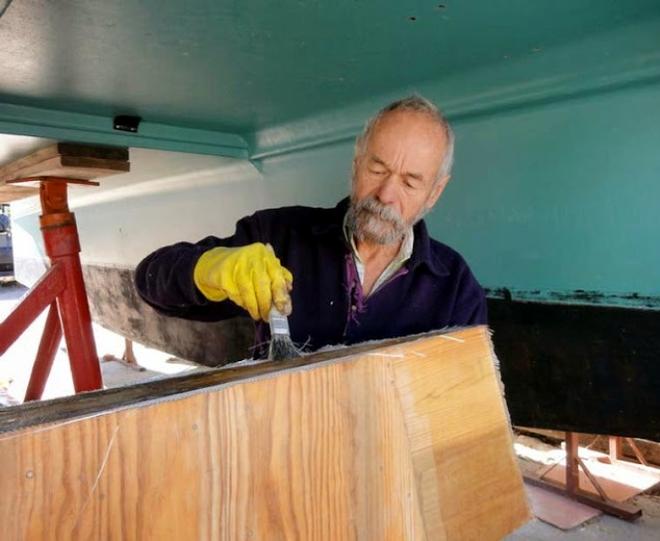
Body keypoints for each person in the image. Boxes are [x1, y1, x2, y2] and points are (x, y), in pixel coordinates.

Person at [135, 95, 486, 358]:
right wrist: (211, 269)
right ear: (355, 164)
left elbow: (465, 400)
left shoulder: (455, 285)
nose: (386, 195)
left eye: (410, 182)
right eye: (377, 170)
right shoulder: (278, 236)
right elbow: (151, 281)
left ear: (434, 193)